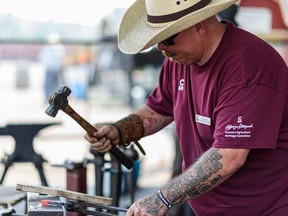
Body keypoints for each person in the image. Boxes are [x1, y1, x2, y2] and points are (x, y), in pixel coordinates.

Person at [85, 0, 288, 215]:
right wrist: (119, 130)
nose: (162, 48)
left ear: (199, 25)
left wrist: (163, 198)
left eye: (167, 38)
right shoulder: (177, 60)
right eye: (157, 40)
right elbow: (159, 109)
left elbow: (228, 156)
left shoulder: (246, 65)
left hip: (265, 208)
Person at [38, 32, 66, 102]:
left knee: (51, 86)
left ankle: (51, 100)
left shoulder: (47, 48)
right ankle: (53, 100)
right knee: (54, 86)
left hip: (52, 70)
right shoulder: (60, 48)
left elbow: (42, 58)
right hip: (55, 70)